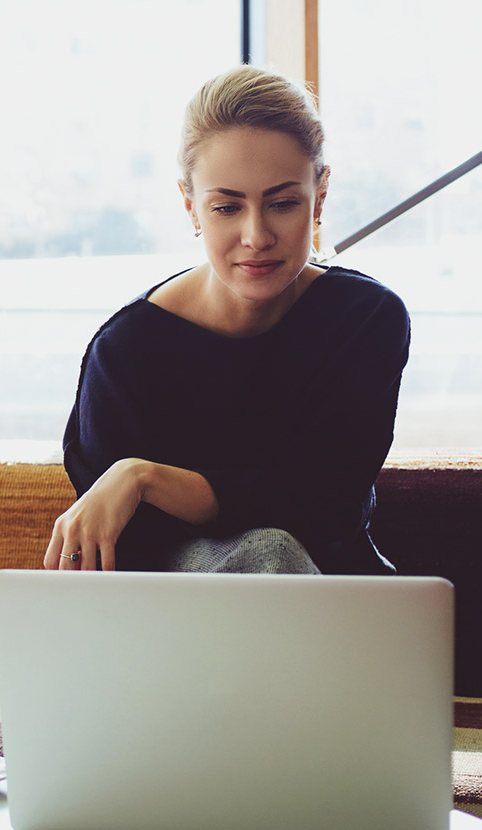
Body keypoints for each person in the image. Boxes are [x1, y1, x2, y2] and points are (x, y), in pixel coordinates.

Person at [44, 65, 410, 576]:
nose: (256, 236)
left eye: (283, 203)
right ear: (190, 205)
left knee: (272, 553)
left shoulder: (365, 320)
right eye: (226, 208)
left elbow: (325, 507)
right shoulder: (126, 352)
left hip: (335, 603)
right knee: (263, 555)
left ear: (320, 196)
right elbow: (126, 551)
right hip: (182, 621)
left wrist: (145, 478)